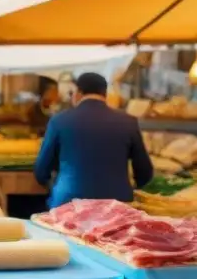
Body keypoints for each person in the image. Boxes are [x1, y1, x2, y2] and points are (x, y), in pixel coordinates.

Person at [34, 72, 153, 208]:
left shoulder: (59, 121)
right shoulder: (128, 122)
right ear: (105, 94)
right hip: (116, 207)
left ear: (78, 93)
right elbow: (145, 172)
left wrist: (54, 184)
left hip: (68, 205)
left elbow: (41, 171)